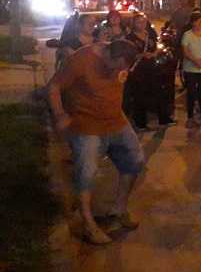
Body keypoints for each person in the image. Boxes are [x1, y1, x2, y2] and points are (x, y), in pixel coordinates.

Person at [47, 40, 144, 244]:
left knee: (135, 161)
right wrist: (60, 114)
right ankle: (89, 225)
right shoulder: (81, 60)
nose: (119, 71)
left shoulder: (120, 60)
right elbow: (54, 87)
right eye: (116, 66)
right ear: (107, 53)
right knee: (87, 175)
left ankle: (119, 210)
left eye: (123, 68)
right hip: (87, 126)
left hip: (116, 121)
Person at [126, 13, 174, 129]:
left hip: (152, 68)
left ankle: (164, 119)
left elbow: (157, 47)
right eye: (138, 22)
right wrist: (142, 55)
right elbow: (128, 55)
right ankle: (140, 123)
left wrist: (153, 54)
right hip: (138, 71)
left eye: (143, 22)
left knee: (159, 93)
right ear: (133, 24)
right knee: (140, 96)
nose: (141, 24)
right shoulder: (130, 38)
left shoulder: (150, 35)